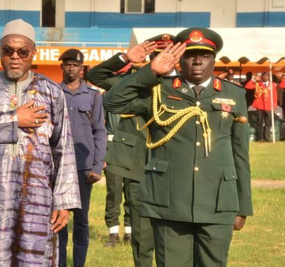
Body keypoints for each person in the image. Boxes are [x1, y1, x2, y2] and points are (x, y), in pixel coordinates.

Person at [103, 27, 253, 267]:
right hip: (169, 201)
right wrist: (149, 71)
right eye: (190, 55)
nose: (197, 61)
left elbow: (240, 155)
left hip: (217, 202)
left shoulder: (233, 94)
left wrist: (242, 207)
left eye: (204, 55)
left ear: (214, 59)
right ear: (180, 60)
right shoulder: (159, 89)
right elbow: (112, 102)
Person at [0, 19, 81, 266]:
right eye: (7, 50)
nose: (15, 57)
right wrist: (13, 119)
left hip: (38, 200)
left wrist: (64, 202)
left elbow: (63, 149)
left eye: (22, 51)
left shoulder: (51, 92)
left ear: (34, 53)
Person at [87, 34, 172, 267]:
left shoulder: (184, 86)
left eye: (169, 54)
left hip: (174, 164)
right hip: (137, 161)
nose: (164, 59)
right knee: (141, 232)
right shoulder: (137, 83)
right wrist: (125, 58)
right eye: (158, 55)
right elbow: (95, 76)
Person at [57, 49, 107, 267]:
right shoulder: (53, 92)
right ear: (62, 67)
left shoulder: (94, 96)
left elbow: (100, 131)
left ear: (81, 68)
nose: (71, 68)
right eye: (67, 64)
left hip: (83, 168)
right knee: (57, 220)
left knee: (81, 220)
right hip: (56, 167)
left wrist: (97, 166)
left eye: (75, 65)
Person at [245, 72, 277, 142]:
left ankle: (267, 139)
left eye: (266, 76)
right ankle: (260, 138)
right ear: (262, 77)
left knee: (268, 123)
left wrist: (274, 104)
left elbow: (274, 95)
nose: (265, 77)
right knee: (260, 122)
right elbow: (247, 86)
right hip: (260, 105)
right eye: (264, 76)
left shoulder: (273, 85)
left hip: (268, 106)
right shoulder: (258, 84)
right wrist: (254, 79)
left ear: (268, 77)